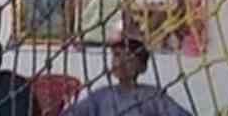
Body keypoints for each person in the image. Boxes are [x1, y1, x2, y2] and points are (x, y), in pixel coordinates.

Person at [60, 37, 190, 116]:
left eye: (129, 58)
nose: (120, 62)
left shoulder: (153, 97)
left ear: (142, 67)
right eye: (116, 55)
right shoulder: (101, 96)